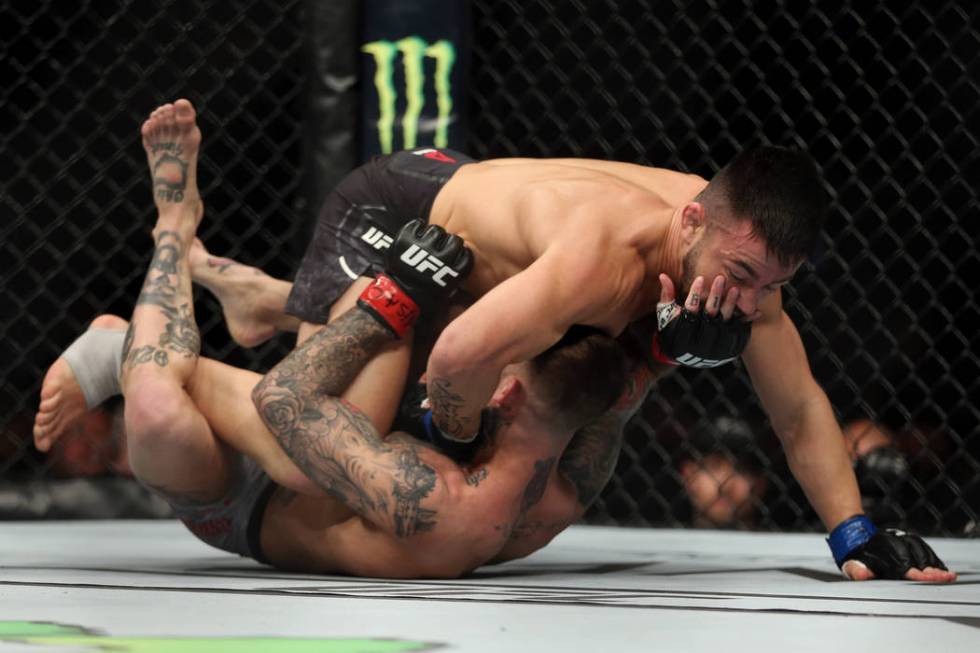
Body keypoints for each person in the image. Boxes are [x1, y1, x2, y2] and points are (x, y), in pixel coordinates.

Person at [35, 100, 955, 582]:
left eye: (772, 289)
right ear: (692, 222)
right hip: (394, 214)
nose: (748, 300)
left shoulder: (736, 265)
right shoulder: (601, 261)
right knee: (332, 443)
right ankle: (256, 308)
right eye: (745, 275)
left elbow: (798, 409)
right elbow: (456, 362)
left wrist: (854, 531)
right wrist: (449, 435)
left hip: (490, 249)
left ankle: (265, 302)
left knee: (369, 416)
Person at [31, 100, 638, 577]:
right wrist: (660, 348)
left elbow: (286, 400)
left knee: (167, 412)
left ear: (506, 394)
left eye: (502, 365)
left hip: (245, 495)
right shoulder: (566, 486)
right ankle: (267, 298)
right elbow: (609, 394)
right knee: (410, 325)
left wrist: (395, 294)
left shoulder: (435, 504)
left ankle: (154, 267)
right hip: (331, 431)